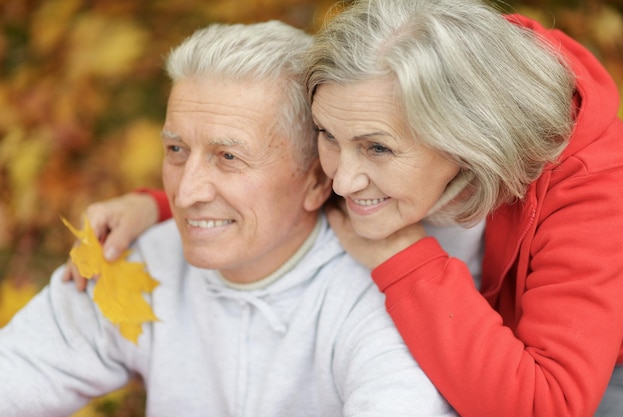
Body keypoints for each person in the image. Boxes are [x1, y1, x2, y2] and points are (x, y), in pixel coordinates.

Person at [70, 0, 623, 416]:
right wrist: (166, 206)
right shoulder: (377, 70)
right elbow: (271, 151)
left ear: (468, 144)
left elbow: (546, 402)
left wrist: (405, 256)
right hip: (457, 337)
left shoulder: (593, 191)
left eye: (378, 148)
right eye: (328, 135)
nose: (341, 176)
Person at [0, 20, 463, 417]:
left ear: (317, 181)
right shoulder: (138, 260)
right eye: (176, 150)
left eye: (228, 157)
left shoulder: (380, 299)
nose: (185, 192)